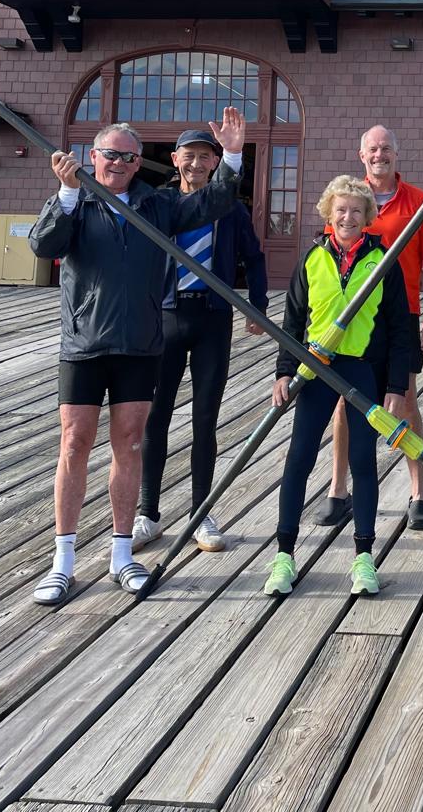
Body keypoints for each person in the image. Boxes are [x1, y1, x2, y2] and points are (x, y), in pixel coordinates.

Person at [27, 110, 247, 606]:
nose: (120, 163)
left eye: (130, 156)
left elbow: (216, 201)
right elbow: (44, 244)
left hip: (140, 344)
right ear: (93, 157)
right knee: (74, 444)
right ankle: (63, 561)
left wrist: (231, 155)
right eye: (111, 155)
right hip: (83, 343)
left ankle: (122, 554)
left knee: (128, 445)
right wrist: (65, 193)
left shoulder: (158, 204)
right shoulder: (77, 201)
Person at [263, 176, 412, 597]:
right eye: (340, 210)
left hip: (361, 369)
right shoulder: (311, 258)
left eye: (356, 211)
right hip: (315, 368)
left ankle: (364, 558)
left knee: (363, 461)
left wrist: (397, 386)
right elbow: (293, 321)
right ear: (329, 213)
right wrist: (282, 371)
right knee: (300, 458)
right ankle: (284, 556)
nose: (348, 217)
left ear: (368, 217)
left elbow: (402, 326)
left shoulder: (383, 260)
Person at [132, 129, 268, 554]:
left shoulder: (229, 209)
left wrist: (257, 305)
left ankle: (200, 513)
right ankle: (147, 513)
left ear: (215, 163)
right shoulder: (159, 204)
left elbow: (254, 257)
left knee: (205, 419)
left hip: (212, 317)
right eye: (188, 156)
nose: (196, 163)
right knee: (156, 416)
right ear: (174, 160)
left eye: (205, 157)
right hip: (166, 317)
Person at [316, 126, 423, 532]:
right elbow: (328, 264)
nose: (380, 155)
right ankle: (339, 490)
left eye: (386, 148)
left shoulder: (418, 202)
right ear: (361, 155)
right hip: (354, 317)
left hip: (400, 316)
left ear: (396, 154)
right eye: (373, 149)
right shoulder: (348, 203)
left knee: (405, 397)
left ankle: (418, 492)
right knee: (344, 400)